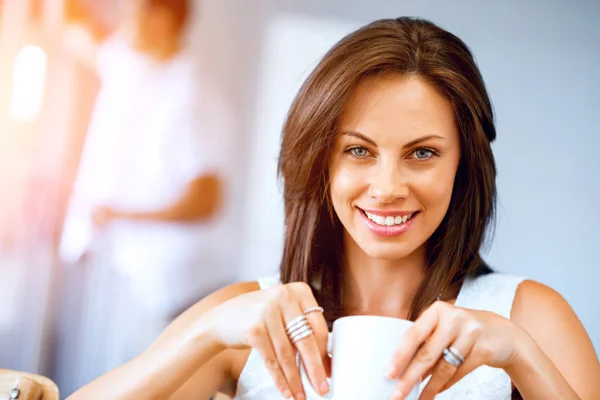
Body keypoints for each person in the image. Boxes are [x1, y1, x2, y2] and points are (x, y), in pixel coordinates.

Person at [67, 17, 600, 400]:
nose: (387, 187)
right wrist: (203, 334)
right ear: (320, 162)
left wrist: (521, 358)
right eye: (358, 150)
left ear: (464, 166)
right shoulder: (247, 319)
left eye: (422, 153)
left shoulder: (527, 317)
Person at [59, 0, 236, 377]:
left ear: (164, 20)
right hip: (134, 275)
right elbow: (76, 30)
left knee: (149, 384)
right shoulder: (129, 66)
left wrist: (120, 213)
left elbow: (206, 200)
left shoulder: (192, 91)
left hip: (177, 286)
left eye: (133, 12)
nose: (122, 20)